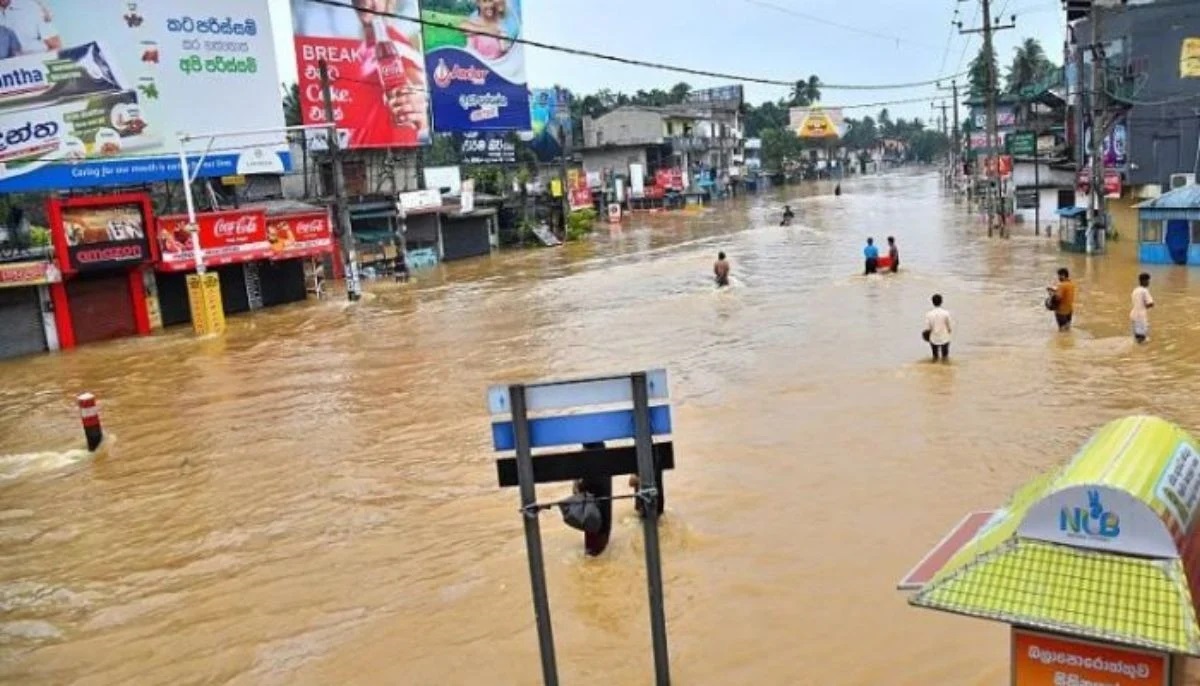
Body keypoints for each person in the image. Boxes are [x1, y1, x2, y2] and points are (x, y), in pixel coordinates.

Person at [923, 293, 953, 362]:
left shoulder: (929, 314)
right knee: (945, 358)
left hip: (934, 338)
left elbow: (928, 328)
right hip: (944, 337)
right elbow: (949, 327)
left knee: (935, 357)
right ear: (941, 302)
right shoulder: (946, 313)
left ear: (932, 302)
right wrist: (949, 332)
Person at [1130, 272, 1154, 344]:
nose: (1149, 282)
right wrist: (1149, 305)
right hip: (1140, 316)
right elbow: (1150, 303)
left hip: (1133, 315)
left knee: (1137, 337)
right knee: (1142, 339)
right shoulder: (1144, 291)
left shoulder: (1135, 290)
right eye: (1148, 280)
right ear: (1144, 281)